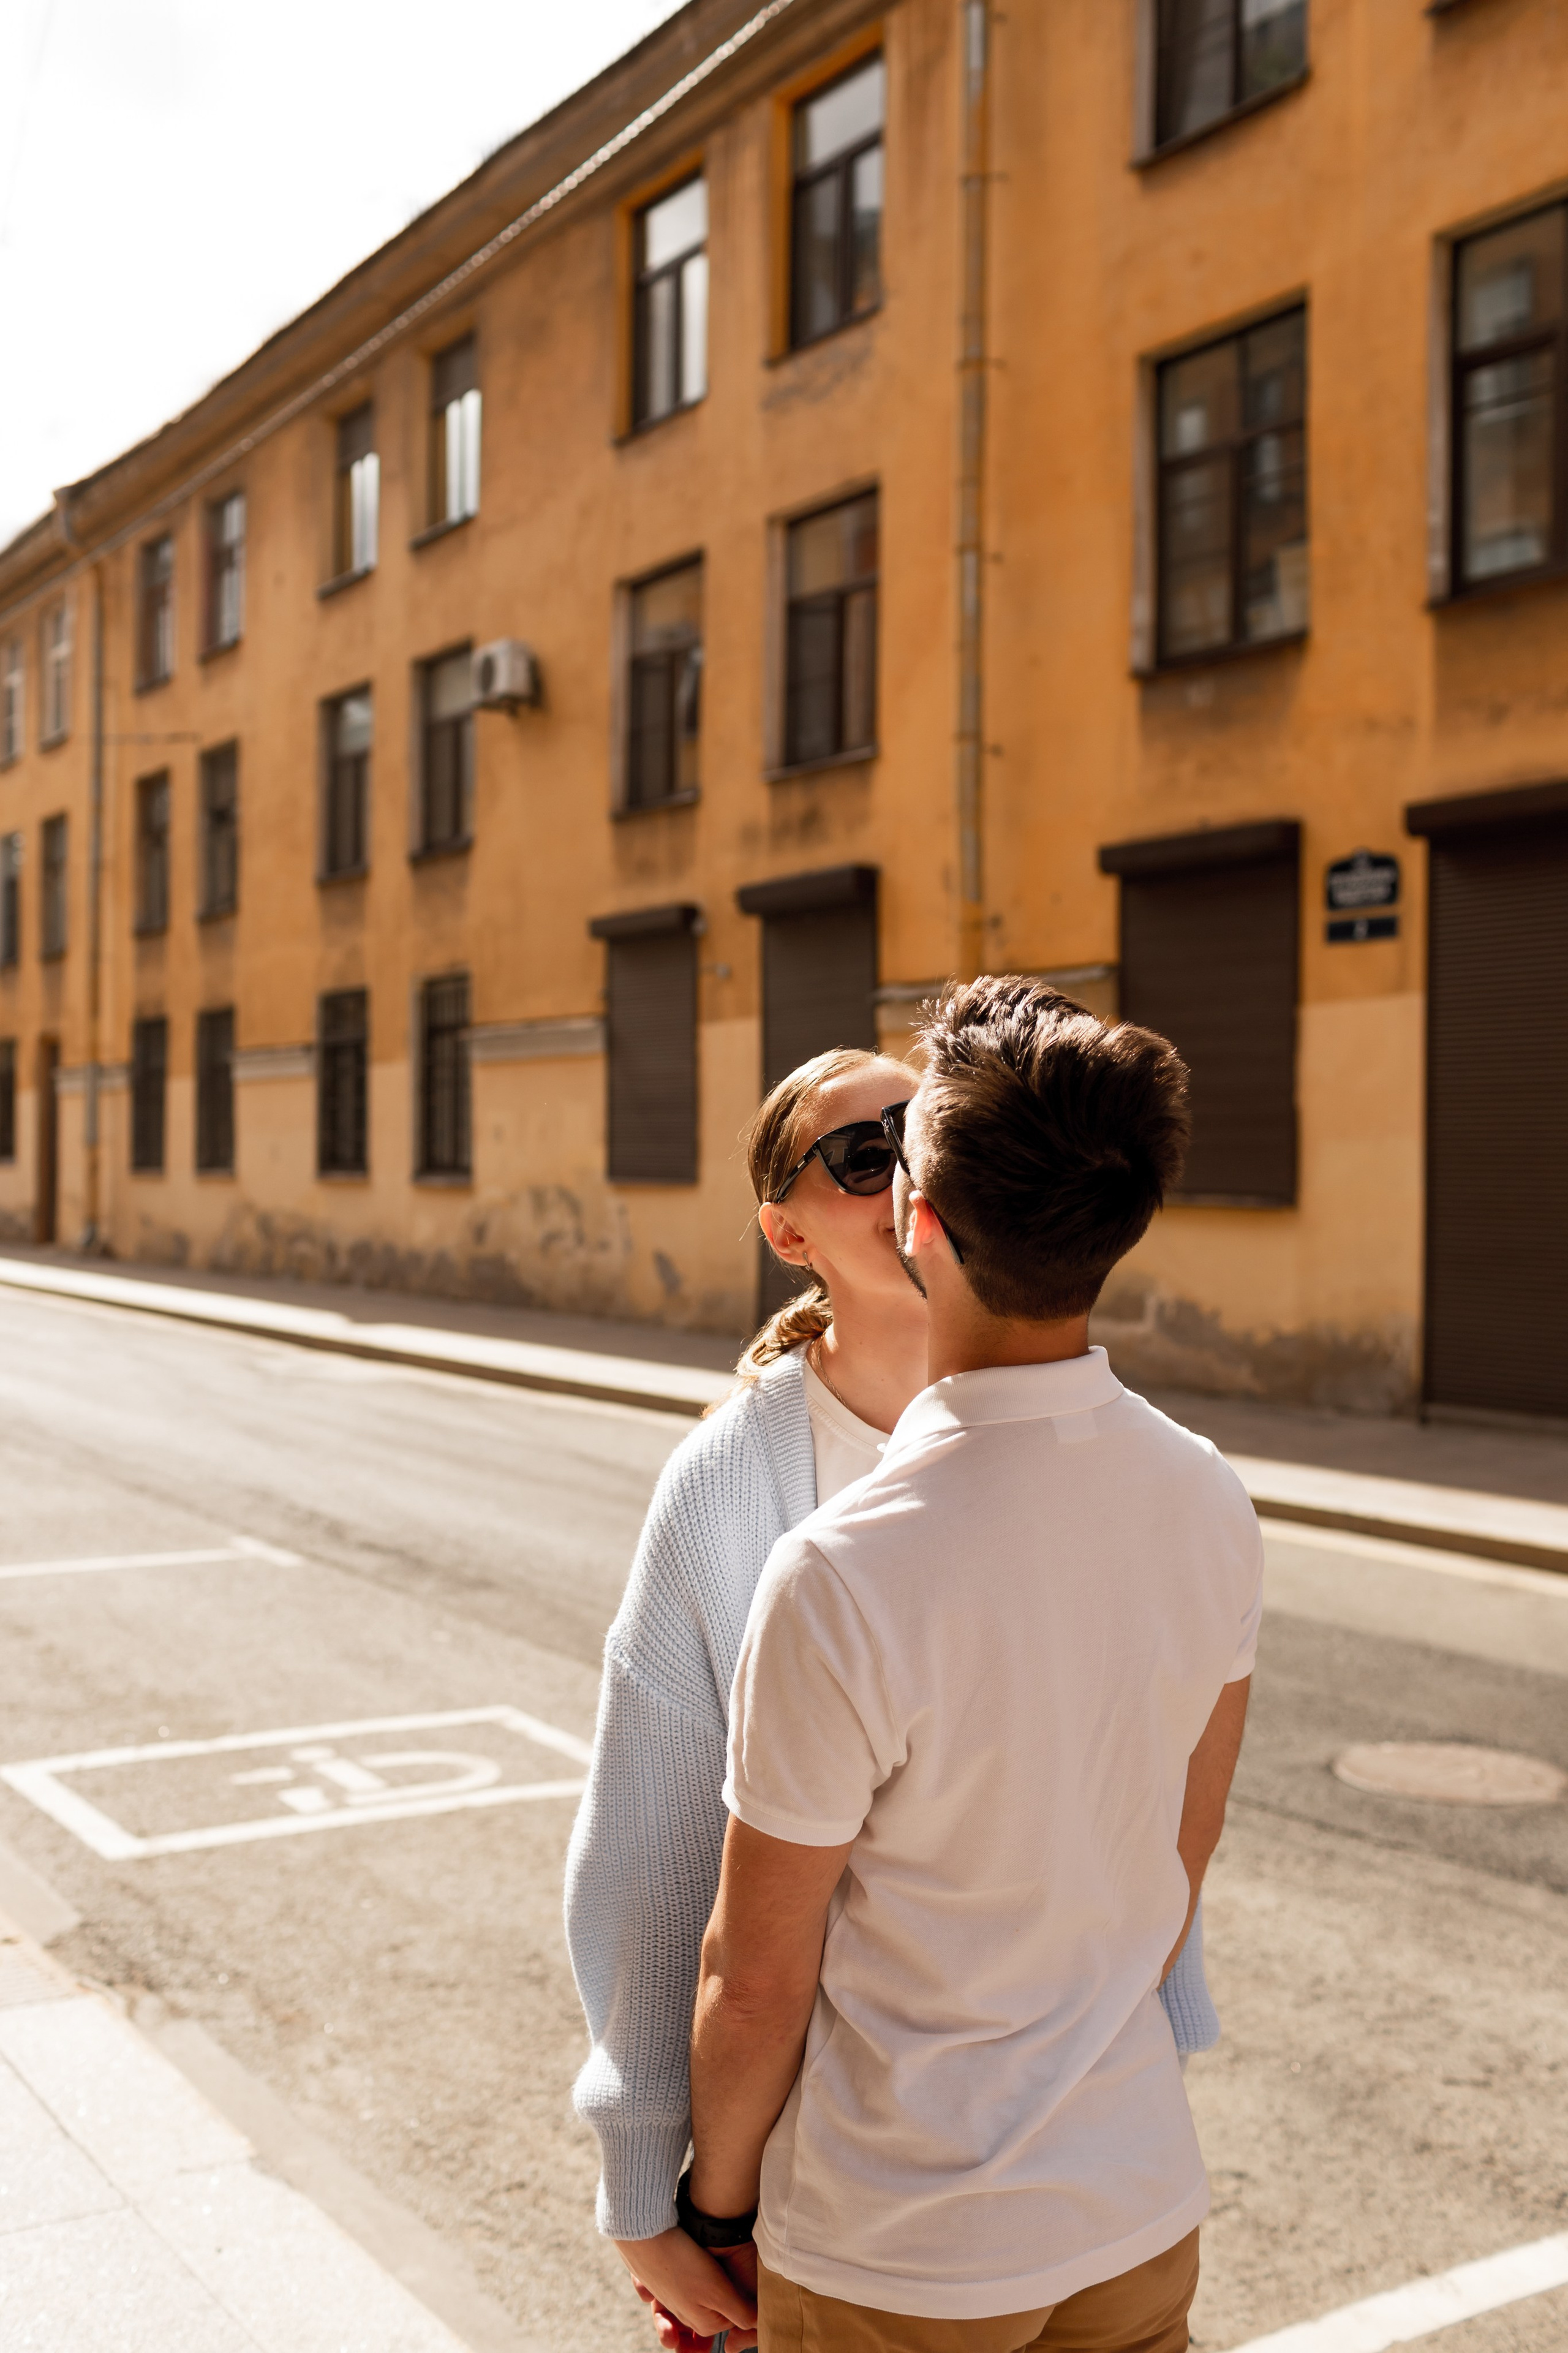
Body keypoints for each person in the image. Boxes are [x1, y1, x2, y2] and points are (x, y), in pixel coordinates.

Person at [565, 1033, 1221, 2352]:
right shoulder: (734, 1493)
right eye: (857, 1151)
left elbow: (1153, 1832)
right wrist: (662, 2183)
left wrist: (1120, 2035)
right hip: (826, 2172)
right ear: (785, 1231)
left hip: (1029, 2184)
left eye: (918, 1133)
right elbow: (653, 1859)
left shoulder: (1119, 1455)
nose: (899, 1167)